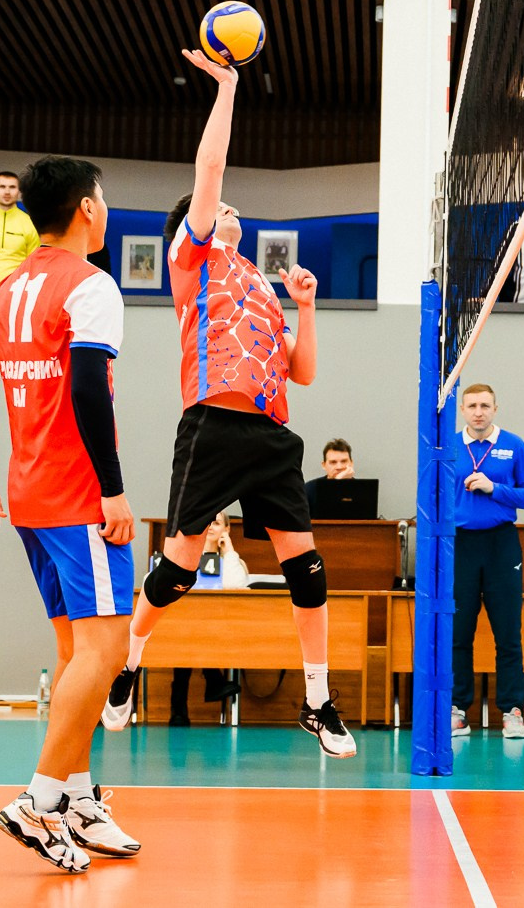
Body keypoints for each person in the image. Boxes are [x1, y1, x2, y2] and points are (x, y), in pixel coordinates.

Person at [101, 48, 355, 758]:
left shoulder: (262, 286)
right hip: (211, 424)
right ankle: (130, 659)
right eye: (220, 211)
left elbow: (301, 373)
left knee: (306, 566)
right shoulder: (195, 261)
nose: (231, 211)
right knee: (179, 568)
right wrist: (228, 87)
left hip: (272, 435)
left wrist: (305, 306)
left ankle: (316, 698)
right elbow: (208, 171)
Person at [0, 154, 141, 874]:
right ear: (88, 210)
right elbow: (91, 387)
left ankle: (76, 794)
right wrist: (114, 488)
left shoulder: (11, 287)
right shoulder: (91, 285)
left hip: (30, 495)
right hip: (77, 496)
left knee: (75, 653)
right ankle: (38, 799)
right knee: (107, 650)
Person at [450, 383, 524, 740]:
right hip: (461, 545)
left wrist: (494, 488)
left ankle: (512, 711)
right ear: (462, 410)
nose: (478, 412)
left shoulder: (514, 446)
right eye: (471, 405)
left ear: (495, 408)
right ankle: (459, 709)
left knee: (507, 633)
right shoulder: (451, 446)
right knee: (459, 633)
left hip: (502, 545)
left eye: (485, 405)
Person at [168, 512, 250, 726]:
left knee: (191, 632)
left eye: (216, 522)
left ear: (227, 529)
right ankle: (213, 681)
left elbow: (235, 589)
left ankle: (179, 708)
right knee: (188, 629)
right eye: (206, 522)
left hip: (222, 629)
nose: (211, 527)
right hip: (185, 627)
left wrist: (229, 551)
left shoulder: (233, 561)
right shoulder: (185, 559)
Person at [301, 437, 358, 513]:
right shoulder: (309, 489)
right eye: (333, 462)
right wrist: (337, 483)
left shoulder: (362, 490)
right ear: (324, 465)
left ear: (351, 463)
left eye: (344, 461)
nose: (339, 467)